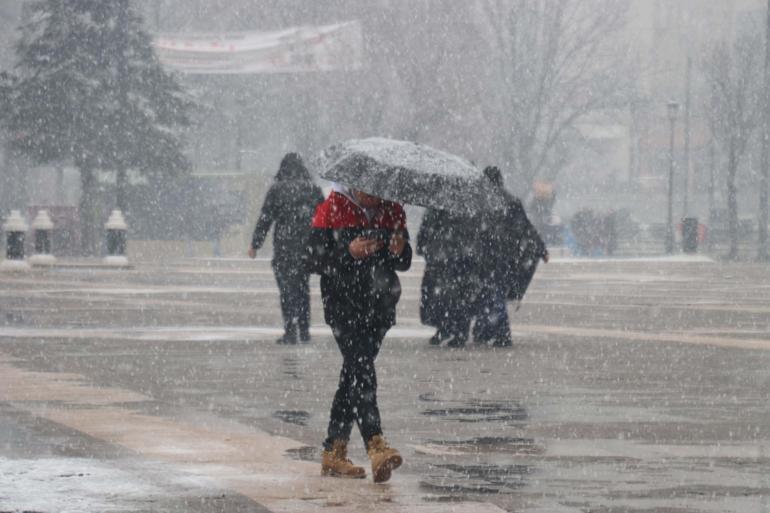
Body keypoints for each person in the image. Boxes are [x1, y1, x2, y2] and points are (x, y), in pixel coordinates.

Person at [306, 184, 411, 483]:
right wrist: (348, 252)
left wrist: (400, 250)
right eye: (369, 191)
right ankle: (375, 443)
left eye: (380, 192)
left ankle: (333, 451)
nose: (375, 197)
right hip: (344, 307)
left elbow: (404, 262)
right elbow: (313, 259)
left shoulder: (393, 211)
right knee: (361, 369)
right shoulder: (332, 209)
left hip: (379, 307)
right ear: (355, 184)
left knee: (353, 373)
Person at [249, 153, 324, 344]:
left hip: (284, 248)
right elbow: (325, 218)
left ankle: (290, 331)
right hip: (307, 248)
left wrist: (255, 244)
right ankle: (305, 331)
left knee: (286, 291)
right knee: (302, 289)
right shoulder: (313, 189)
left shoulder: (277, 190)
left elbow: (265, 219)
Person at [473, 166, 549, 347]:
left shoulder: (481, 203)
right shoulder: (511, 201)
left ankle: (500, 333)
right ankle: (488, 331)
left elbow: (475, 231)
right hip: (507, 257)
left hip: (488, 257)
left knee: (491, 295)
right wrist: (540, 248)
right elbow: (526, 227)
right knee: (493, 294)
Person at [417, 208, 479, 347]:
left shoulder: (440, 211)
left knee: (455, 297)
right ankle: (448, 329)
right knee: (442, 297)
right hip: (444, 260)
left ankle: (456, 332)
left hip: (454, 261)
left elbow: (425, 234)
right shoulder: (466, 211)